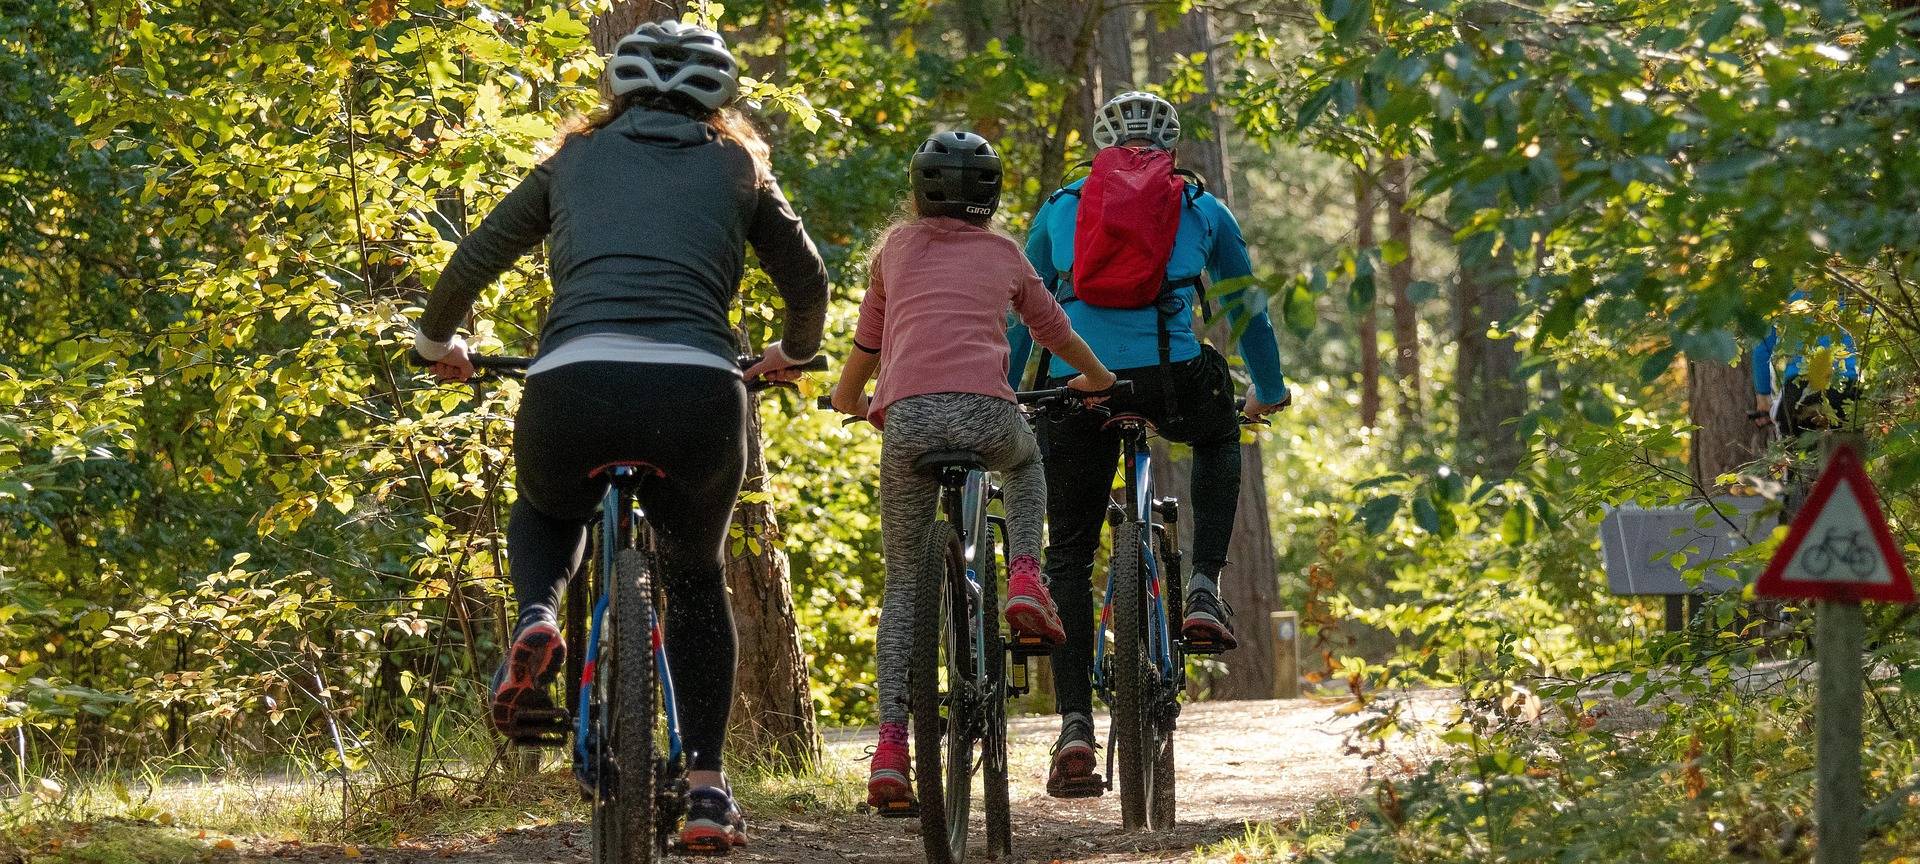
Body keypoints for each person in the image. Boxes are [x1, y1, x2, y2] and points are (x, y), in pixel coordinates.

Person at [410, 20, 826, 854]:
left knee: (548, 505)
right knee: (697, 578)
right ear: (721, 98)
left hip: (575, 380)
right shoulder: (739, 166)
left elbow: (477, 255)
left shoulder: (572, 158)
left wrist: (436, 343)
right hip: (697, 390)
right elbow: (807, 279)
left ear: (618, 90)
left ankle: (538, 616)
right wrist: (792, 352)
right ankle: (706, 788)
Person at [1006, 91, 1291, 798]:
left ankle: (1075, 726)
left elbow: (1020, 311)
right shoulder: (1202, 207)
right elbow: (1246, 306)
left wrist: (1007, 389)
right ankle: (1204, 589)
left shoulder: (1061, 206)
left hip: (1078, 384)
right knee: (1220, 436)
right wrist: (1269, 388)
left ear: (1101, 146)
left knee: (1069, 555)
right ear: (1171, 147)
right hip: (1173, 379)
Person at [828, 130, 1116, 810]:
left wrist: (847, 398)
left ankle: (891, 750)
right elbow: (1053, 330)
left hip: (908, 423)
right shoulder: (1005, 254)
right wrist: (1099, 379)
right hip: (989, 416)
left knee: (904, 586)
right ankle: (1025, 575)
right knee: (1026, 461)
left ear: (918, 191)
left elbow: (868, 342)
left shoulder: (894, 251)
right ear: (991, 197)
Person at [1750, 290, 1862, 439]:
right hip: (1844, 385)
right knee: (1849, 449)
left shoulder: (1785, 290)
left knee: (1798, 449)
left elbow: (1761, 349)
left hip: (1799, 388)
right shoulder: (1852, 287)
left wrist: (1763, 398)